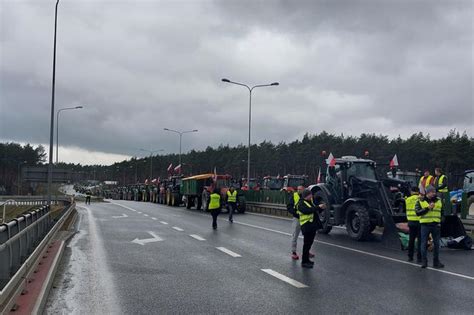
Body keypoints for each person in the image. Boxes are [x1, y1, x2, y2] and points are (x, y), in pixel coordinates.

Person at [416, 185, 444, 269]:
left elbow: (442, 212)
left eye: (434, 192)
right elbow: (417, 212)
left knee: (437, 244)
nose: (434, 194)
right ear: (427, 192)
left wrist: (441, 221)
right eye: (432, 192)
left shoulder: (438, 200)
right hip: (425, 225)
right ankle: (424, 262)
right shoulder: (420, 201)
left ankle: (436, 262)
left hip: (436, 225)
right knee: (423, 243)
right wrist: (428, 208)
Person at [297, 189, 326, 268]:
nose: (312, 196)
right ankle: (304, 262)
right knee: (306, 244)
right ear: (307, 195)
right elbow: (307, 211)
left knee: (309, 244)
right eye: (310, 195)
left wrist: (321, 208)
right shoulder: (301, 203)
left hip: (311, 226)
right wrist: (317, 207)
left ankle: (307, 260)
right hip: (306, 226)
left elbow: (314, 212)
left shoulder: (310, 202)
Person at [287, 186, 315, 260]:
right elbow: (289, 207)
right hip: (297, 219)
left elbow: (312, 207)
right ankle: (294, 252)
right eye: (298, 189)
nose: (299, 190)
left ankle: (307, 251)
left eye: (300, 189)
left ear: (304, 189)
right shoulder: (294, 196)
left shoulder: (309, 197)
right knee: (295, 235)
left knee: (308, 237)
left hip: (307, 219)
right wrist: (296, 213)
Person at [405, 189, 421, 263]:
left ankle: (410, 256)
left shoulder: (407, 199)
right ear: (418, 192)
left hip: (411, 221)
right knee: (420, 240)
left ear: (411, 192)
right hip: (419, 221)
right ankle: (419, 257)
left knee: (411, 239)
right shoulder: (420, 198)